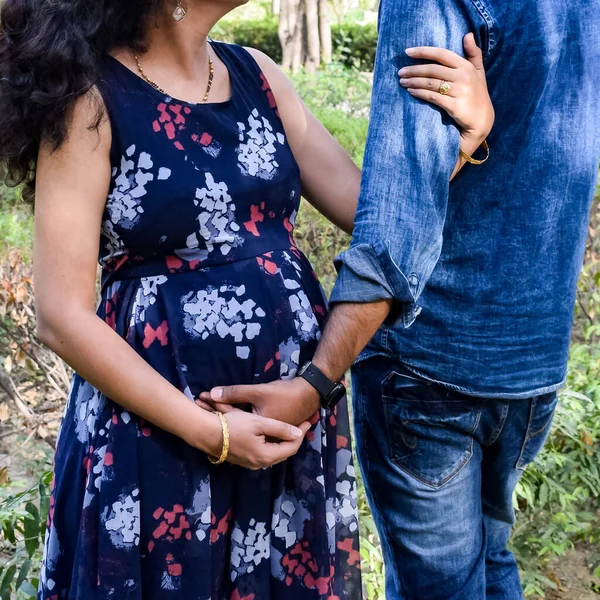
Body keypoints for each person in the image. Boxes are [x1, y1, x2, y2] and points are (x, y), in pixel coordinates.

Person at [0, 0, 494, 598]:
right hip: (161, 432)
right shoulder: (92, 98)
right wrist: (213, 435)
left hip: (284, 427)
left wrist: (463, 139)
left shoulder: (258, 75)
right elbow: (60, 314)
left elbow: (371, 210)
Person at [206, 0, 600, 598]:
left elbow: (396, 225)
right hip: (533, 360)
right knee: (493, 565)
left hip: (434, 364)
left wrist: (315, 381)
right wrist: (471, 140)